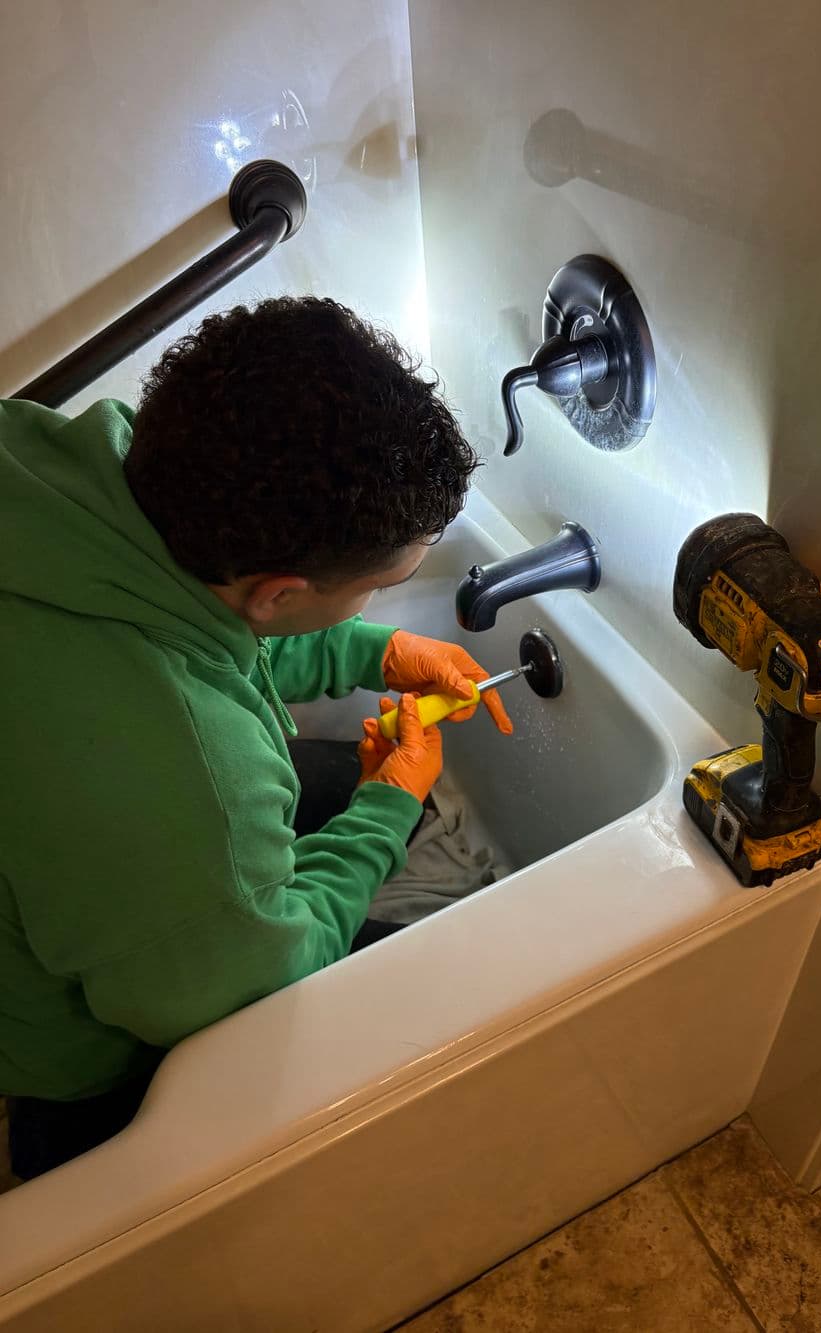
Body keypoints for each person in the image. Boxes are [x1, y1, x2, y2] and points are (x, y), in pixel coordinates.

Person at [0, 296, 512, 1181]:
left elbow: (201, 621)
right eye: (376, 593)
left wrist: (373, 649)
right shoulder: (184, 785)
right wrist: (389, 805)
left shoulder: (67, 462)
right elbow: (266, 977)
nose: (377, 605)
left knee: (307, 780)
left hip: (63, 867)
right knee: (424, 985)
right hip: (78, 1065)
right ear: (278, 593)